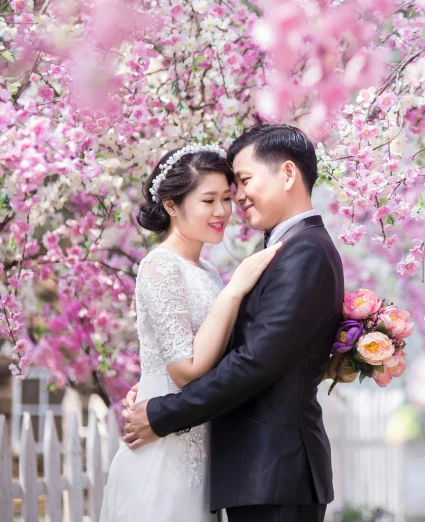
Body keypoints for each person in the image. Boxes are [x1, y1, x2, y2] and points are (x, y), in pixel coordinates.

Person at [122, 124, 344, 522]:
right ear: (173, 205)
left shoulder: (303, 252)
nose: (234, 201)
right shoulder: (287, 249)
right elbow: (239, 347)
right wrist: (158, 381)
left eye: (240, 183)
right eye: (216, 196)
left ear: (287, 174)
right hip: (256, 470)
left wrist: (163, 412)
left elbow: (256, 361)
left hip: (273, 469)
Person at [101, 144, 283, 521]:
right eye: (208, 200)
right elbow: (184, 369)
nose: (221, 212)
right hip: (162, 448)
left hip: (201, 444)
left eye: (227, 199)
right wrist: (236, 289)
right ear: (171, 205)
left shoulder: (209, 272)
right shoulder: (160, 266)